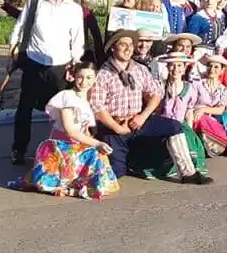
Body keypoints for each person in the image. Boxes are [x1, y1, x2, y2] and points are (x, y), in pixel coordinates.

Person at [90, 30, 212, 184]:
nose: (128, 48)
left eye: (130, 45)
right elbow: (97, 107)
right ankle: (128, 161)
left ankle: (188, 173)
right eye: (123, 44)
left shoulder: (140, 69)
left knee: (174, 126)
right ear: (113, 48)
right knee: (116, 172)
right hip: (115, 127)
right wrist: (117, 128)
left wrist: (143, 116)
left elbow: (156, 93)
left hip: (137, 120)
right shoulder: (103, 74)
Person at [8, 61, 119, 200]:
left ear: (95, 78)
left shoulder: (90, 98)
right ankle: (70, 185)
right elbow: (70, 131)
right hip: (62, 147)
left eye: (89, 77)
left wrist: (94, 144)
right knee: (94, 152)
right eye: (80, 77)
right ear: (74, 77)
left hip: (78, 145)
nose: (84, 82)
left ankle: (78, 186)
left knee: (99, 158)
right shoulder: (67, 97)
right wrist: (96, 143)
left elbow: (84, 130)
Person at [8, 0, 85, 165]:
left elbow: (77, 39)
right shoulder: (35, 3)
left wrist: (75, 62)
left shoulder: (74, 9)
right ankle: (19, 148)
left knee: (62, 111)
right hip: (34, 61)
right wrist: (14, 47)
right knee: (25, 107)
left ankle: (60, 150)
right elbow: (20, 26)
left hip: (59, 65)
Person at [148, 52, 210, 179]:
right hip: (163, 125)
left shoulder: (190, 87)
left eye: (179, 66)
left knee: (187, 137)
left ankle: (190, 171)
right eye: (172, 65)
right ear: (167, 67)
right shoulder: (160, 86)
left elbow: (189, 111)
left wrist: (190, 130)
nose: (176, 69)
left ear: (184, 67)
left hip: (181, 124)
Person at [190, 54, 227, 156]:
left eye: (216, 67)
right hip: (195, 116)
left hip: (213, 120)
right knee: (199, 119)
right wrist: (199, 111)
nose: (212, 69)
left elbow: (220, 110)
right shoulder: (197, 84)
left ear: (222, 71)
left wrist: (204, 109)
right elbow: (191, 103)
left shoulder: (223, 90)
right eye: (210, 66)